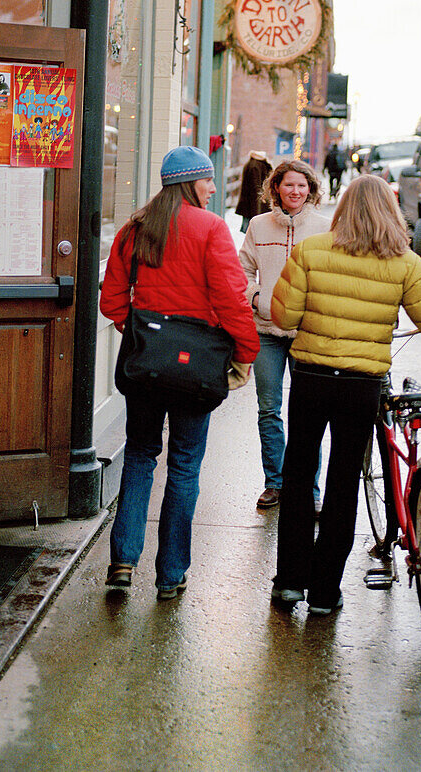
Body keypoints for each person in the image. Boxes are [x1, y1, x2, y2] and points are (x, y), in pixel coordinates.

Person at [269, 174, 421, 616]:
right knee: (344, 483)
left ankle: (289, 583)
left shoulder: (311, 250)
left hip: (310, 377)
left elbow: (283, 315)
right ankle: (325, 593)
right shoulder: (403, 262)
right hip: (360, 387)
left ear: (343, 208)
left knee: (298, 475)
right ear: (391, 211)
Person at [99, 145, 260, 599]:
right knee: (185, 467)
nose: (213, 188)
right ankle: (170, 576)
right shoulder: (210, 229)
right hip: (197, 371)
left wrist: (147, 337)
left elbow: (112, 301)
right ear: (191, 182)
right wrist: (245, 353)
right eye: (208, 180)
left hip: (145, 367)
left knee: (139, 456)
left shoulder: (134, 229)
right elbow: (231, 300)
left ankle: (123, 561)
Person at [238, 159, 329, 511]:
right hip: (267, 332)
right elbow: (241, 271)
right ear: (276, 187)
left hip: (308, 332)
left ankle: (310, 489)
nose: (295, 191)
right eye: (289, 185)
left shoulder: (324, 227)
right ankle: (274, 482)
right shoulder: (259, 226)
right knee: (268, 409)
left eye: (302, 186)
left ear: (311, 190)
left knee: (309, 412)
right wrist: (257, 297)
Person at [235, 150, 272, 233]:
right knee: (253, 230)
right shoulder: (256, 166)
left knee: (250, 230)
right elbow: (255, 188)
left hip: (250, 204)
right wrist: (257, 210)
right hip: (255, 204)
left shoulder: (252, 164)